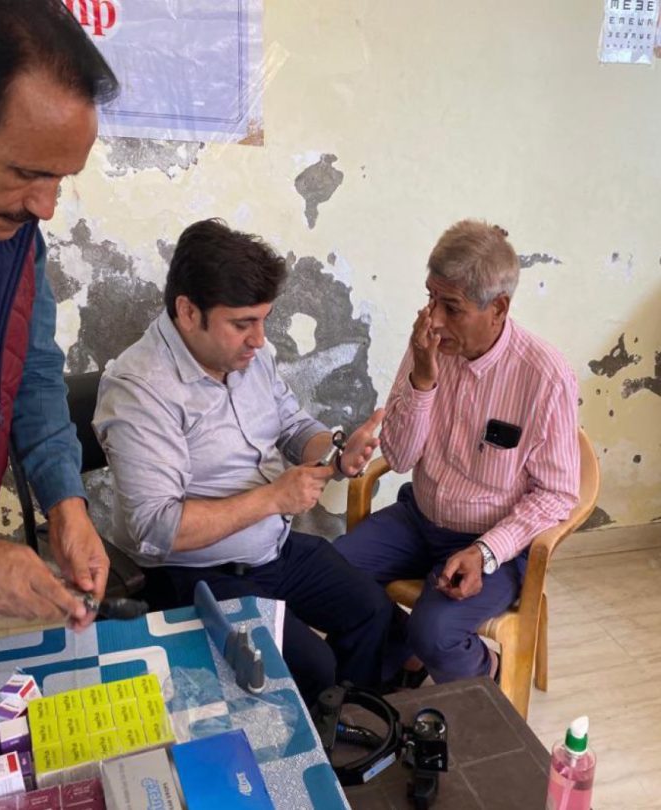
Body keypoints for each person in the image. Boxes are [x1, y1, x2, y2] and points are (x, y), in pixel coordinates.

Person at [93, 218, 394, 705]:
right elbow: (156, 527)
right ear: (188, 312)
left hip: (271, 549)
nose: (259, 339)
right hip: (193, 573)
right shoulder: (140, 389)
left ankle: (342, 730)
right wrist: (274, 498)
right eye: (242, 324)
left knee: (372, 613)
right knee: (311, 668)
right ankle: (303, 733)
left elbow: (293, 427)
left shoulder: (251, 356)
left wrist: (338, 452)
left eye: (263, 320)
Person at [336, 220, 580, 684]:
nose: (434, 319)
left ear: (498, 308)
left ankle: (487, 675)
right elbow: (401, 458)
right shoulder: (429, 347)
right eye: (430, 298)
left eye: (451, 307)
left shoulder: (544, 377)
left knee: (436, 632)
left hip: (494, 541)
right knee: (330, 576)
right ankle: (405, 655)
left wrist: (486, 551)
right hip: (420, 517)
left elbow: (558, 493)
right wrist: (422, 379)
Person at [0, 0, 119, 629]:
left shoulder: (14, 235)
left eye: (61, 179)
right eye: (28, 173)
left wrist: (65, 501)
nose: (46, 207)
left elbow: (30, 370)